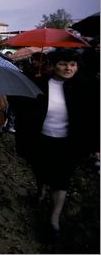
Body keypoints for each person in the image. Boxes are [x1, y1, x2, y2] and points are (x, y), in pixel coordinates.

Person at [14, 50, 93, 239]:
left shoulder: (82, 87)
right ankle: (40, 191)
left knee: (62, 179)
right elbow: (24, 109)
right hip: (42, 139)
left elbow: (90, 116)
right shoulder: (40, 83)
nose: (68, 68)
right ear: (54, 65)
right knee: (40, 169)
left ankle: (54, 219)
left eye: (73, 65)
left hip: (67, 142)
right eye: (64, 64)